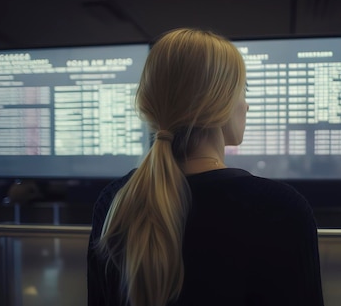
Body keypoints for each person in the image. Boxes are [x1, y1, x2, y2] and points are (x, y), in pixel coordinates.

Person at [88, 28, 324, 306]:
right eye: (242, 91)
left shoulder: (116, 200)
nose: (246, 106)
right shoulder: (281, 209)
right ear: (219, 102)